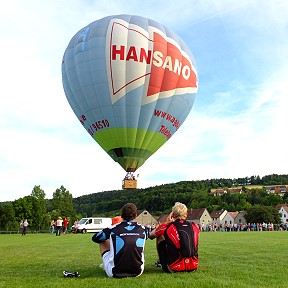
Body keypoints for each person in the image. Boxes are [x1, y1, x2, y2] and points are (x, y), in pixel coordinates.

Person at [92, 203, 149, 278]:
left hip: (115, 273)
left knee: (103, 241)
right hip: (138, 272)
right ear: (136, 216)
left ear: (121, 215)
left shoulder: (112, 228)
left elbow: (95, 238)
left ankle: (108, 263)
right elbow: (147, 236)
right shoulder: (144, 229)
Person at [149, 202, 200, 273]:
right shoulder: (195, 226)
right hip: (193, 266)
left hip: (174, 268)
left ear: (172, 214)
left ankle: (160, 261)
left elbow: (150, 235)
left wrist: (166, 222)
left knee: (160, 236)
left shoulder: (167, 227)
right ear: (186, 214)